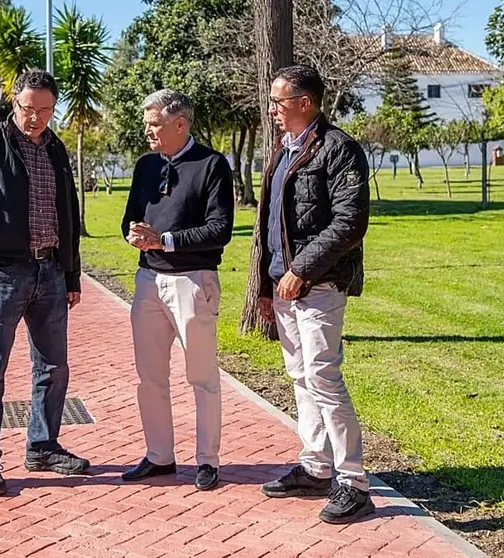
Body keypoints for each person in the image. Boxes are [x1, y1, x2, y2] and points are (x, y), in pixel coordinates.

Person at [0, 69, 89, 497]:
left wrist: (71, 272)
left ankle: (43, 446)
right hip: (4, 274)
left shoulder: (56, 147)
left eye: (45, 110)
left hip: (50, 272)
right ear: (15, 102)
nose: (36, 118)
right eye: (29, 109)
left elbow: (68, 211)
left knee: (53, 367)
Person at [254, 64, 374, 524]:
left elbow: (350, 222)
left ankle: (354, 482)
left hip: (319, 285)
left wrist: (301, 270)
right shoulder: (284, 151)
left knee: (324, 378)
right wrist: (268, 285)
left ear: (304, 103)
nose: (272, 110)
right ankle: (316, 466)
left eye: (279, 102)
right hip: (286, 288)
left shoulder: (338, 148)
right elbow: (271, 225)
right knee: (302, 378)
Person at [119, 89, 234, 491]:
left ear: (180, 123)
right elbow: (131, 217)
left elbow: (220, 229)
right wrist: (133, 234)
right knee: (149, 377)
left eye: (155, 124)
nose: (148, 131)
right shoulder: (145, 165)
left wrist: (164, 240)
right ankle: (159, 456)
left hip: (192, 280)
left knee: (201, 376)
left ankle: (208, 461)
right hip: (147, 280)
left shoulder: (212, 165)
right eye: (147, 123)